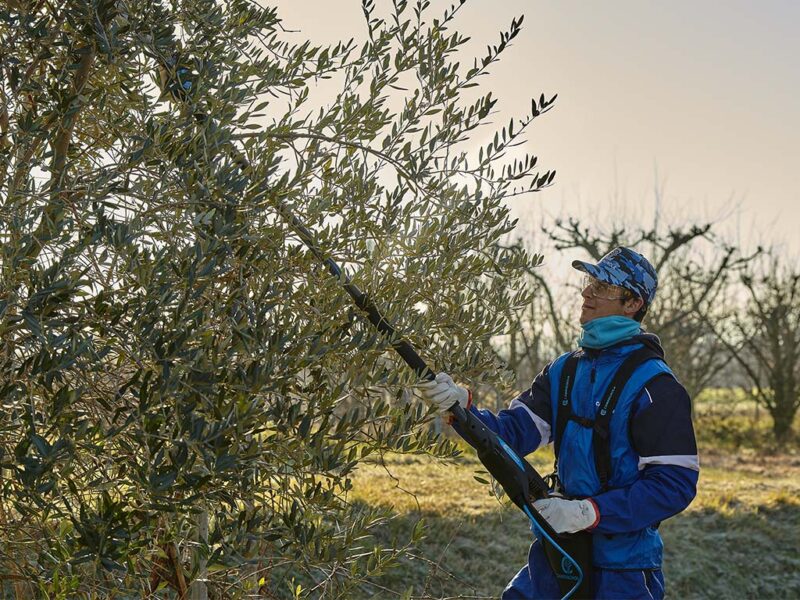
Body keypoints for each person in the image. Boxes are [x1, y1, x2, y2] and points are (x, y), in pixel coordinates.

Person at [418, 247, 699, 600]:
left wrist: (589, 513)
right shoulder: (563, 371)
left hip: (623, 570)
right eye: (589, 282)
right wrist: (463, 408)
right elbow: (513, 434)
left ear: (633, 304)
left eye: (602, 286)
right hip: (557, 552)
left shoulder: (656, 387)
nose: (587, 293)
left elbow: (675, 484)